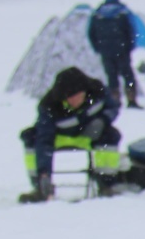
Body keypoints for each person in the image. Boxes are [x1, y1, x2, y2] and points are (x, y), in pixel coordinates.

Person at [19, 66, 120, 203]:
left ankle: (106, 184)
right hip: (60, 137)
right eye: (70, 97)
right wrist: (44, 173)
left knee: (111, 135)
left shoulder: (98, 91)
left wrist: (103, 120)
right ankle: (40, 188)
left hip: (89, 135)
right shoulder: (49, 106)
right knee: (31, 137)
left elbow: (112, 107)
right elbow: (44, 139)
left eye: (77, 96)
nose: (74, 100)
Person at [87, 0, 140, 108]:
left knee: (111, 76)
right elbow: (132, 30)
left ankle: (115, 100)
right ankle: (131, 100)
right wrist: (130, 46)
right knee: (127, 75)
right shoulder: (123, 12)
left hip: (105, 50)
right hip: (122, 49)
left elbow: (91, 33)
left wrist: (98, 48)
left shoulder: (97, 13)